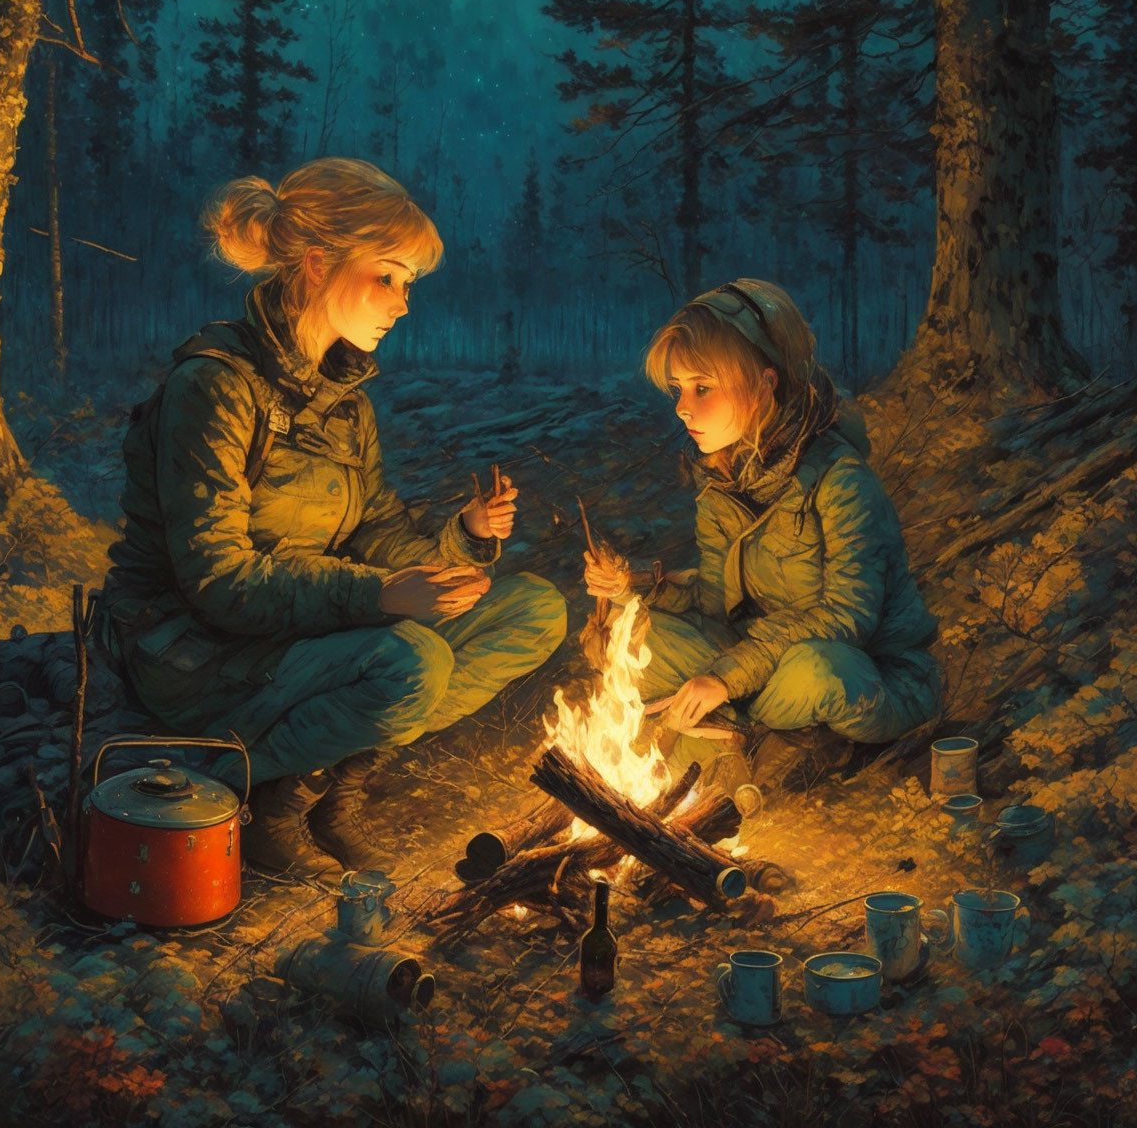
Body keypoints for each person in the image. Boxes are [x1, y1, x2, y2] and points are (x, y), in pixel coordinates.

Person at [95, 158, 567, 877]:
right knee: (413, 662)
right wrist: (374, 596)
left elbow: (373, 532)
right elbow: (219, 581)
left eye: (410, 283)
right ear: (317, 265)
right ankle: (258, 792)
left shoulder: (346, 403)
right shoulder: (215, 387)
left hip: (302, 627)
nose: (403, 303)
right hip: (197, 649)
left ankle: (326, 785)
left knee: (533, 608)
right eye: (389, 275)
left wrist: (462, 538)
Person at [583, 279, 940, 789]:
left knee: (816, 671)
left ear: (765, 383)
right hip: (756, 657)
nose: (684, 407)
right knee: (630, 630)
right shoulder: (722, 482)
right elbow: (714, 602)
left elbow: (846, 619)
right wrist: (633, 586)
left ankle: (731, 725)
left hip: (861, 667)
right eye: (678, 390)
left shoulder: (842, 482)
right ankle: (740, 724)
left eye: (703, 388)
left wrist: (727, 675)